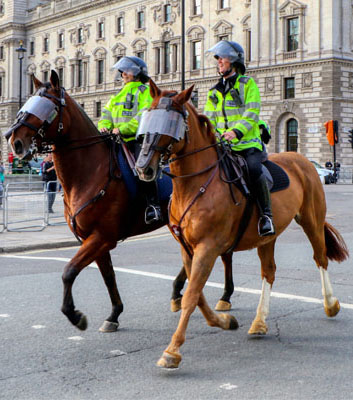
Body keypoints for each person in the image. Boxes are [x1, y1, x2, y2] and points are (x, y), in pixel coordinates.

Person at [204, 40, 275, 236]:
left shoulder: (248, 84)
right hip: (223, 146)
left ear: (234, 61)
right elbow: (209, 119)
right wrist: (212, 136)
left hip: (247, 144)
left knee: (253, 169)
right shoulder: (213, 91)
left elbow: (252, 111)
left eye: (222, 57)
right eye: (217, 58)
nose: (218, 61)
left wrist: (235, 132)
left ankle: (266, 216)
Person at [98, 56, 162, 224]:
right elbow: (106, 115)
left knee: (143, 168)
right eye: (123, 71)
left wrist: (123, 129)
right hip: (115, 139)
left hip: (136, 140)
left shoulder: (144, 91)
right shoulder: (117, 95)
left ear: (137, 73)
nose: (123, 74)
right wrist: (104, 126)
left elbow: (144, 114)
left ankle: (153, 205)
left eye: (127, 71)